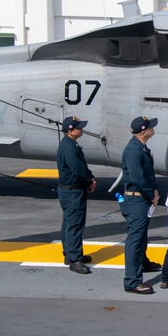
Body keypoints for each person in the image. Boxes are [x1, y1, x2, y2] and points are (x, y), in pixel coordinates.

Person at [120, 116, 162, 295]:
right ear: (143, 131)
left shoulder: (141, 148)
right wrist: (150, 194)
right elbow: (137, 178)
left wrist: (153, 190)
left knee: (141, 238)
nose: (153, 129)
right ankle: (132, 281)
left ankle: (143, 264)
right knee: (135, 242)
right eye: (150, 127)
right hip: (136, 200)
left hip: (141, 199)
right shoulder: (134, 150)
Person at [56, 115, 96, 274]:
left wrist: (89, 177)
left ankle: (70, 253)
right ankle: (74, 259)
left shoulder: (69, 144)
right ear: (71, 131)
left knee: (69, 222)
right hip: (73, 191)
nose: (82, 129)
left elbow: (81, 167)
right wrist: (89, 182)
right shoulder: (70, 148)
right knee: (74, 224)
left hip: (69, 190)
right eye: (79, 127)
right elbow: (78, 170)